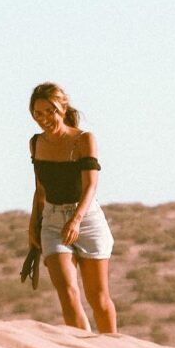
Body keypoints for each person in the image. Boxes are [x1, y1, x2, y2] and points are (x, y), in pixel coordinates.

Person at [27, 82, 117, 333]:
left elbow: (91, 186)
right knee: (67, 293)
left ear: (63, 108)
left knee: (98, 298)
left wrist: (76, 220)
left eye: (50, 111)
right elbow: (40, 190)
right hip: (52, 221)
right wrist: (32, 226)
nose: (44, 118)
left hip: (86, 218)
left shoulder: (84, 139)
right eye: (38, 114)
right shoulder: (36, 143)